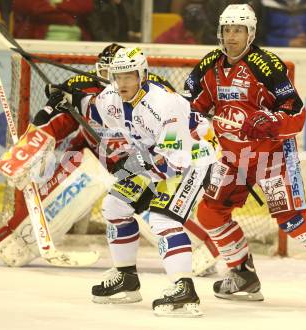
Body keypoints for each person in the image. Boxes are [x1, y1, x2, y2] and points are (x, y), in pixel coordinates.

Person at [184, 4, 306, 307]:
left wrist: (268, 122)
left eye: (238, 30)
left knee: (290, 219)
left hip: (272, 154)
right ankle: (243, 273)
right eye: (227, 30)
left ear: (250, 33)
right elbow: (190, 107)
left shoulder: (266, 65)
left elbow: (296, 111)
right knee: (210, 213)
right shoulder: (208, 66)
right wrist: (195, 128)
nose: (231, 37)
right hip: (231, 157)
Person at [0, 43, 174, 267]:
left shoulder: (157, 92)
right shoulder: (83, 89)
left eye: (126, 75)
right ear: (99, 71)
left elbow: (177, 129)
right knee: (62, 183)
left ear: (138, 74)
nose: (118, 82)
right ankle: (15, 239)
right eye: (112, 74)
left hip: (139, 161)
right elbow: (52, 120)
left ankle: (190, 248)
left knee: (157, 199)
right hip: (93, 153)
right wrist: (26, 154)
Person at [77, 46, 216, 316]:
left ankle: (184, 289)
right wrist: (68, 96)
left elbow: (170, 164)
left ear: (143, 75)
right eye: (118, 77)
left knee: (163, 218)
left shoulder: (166, 105)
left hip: (193, 158)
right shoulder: (110, 96)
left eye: (129, 76)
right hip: (154, 158)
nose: (123, 83)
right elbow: (94, 110)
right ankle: (127, 280)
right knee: (115, 207)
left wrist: (131, 165)